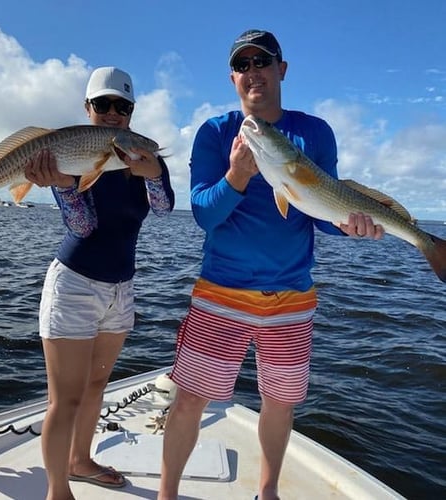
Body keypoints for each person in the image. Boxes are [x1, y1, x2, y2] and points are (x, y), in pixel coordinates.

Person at [158, 30, 383, 500]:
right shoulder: (216, 133)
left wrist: (350, 225)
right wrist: (237, 174)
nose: (253, 70)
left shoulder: (315, 132)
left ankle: (268, 492)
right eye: (243, 64)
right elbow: (204, 214)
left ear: (282, 69)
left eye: (263, 60)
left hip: (292, 295)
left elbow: (321, 215)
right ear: (233, 78)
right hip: (222, 290)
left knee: (280, 403)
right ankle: (167, 495)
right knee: (189, 400)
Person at [24, 66, 175, 500]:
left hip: (121, 289)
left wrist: (153, 175)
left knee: (96, 386)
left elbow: (163, 210)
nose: (113, 113)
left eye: (122, 106)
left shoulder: (145, 157)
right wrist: (67, 188)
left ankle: (79, 460)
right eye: (103, 104)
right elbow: (84, 227)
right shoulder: (67, 154)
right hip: (74, 284)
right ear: (87, 108)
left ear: (131, 112)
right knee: (64, 399)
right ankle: (57, 491)